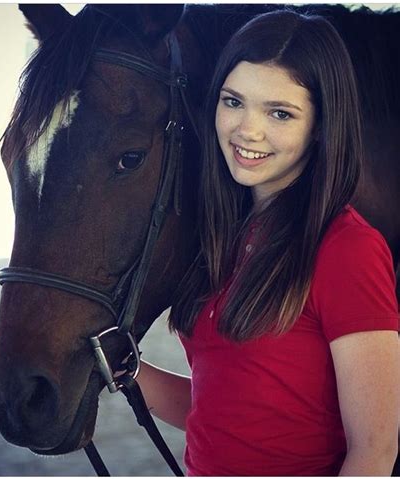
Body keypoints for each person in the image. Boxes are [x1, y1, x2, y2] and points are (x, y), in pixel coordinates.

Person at [134, 10, 399, 476]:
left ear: (320, 124)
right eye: (233, 102)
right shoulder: (225, 237)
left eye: (280, 113)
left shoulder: (346, 249)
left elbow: (375, 449)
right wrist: (129, 372)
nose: (247, 131)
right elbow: (224, 411)